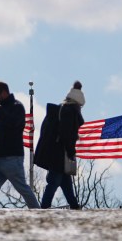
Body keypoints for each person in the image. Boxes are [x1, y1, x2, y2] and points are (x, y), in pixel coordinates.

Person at [0, 81, 41, 209]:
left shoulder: (17, 107)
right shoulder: (0, 111)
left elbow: (12, 124)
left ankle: (38, 213)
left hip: (12, 159)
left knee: (23, 189)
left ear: (3, 92)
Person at [34, 81, 85, 209]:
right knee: (54, 181)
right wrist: (71, 151)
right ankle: (44, 208)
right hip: (59, 154)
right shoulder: (70, 111)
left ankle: (74, 206)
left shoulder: (62, 109)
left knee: (65, 183)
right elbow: (66, 134)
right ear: (78, 103)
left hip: (56, 152)